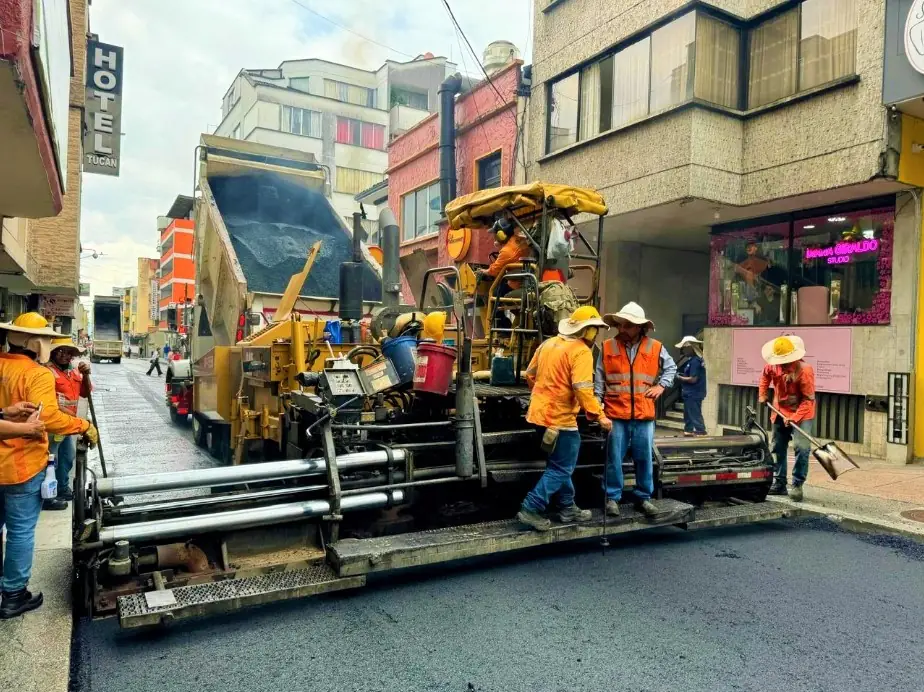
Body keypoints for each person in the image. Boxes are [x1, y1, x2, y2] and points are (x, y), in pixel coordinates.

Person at [0, 313, 98, 619]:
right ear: (35, 342)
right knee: (20, 531)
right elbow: (49, 418)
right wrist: (83, 426)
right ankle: (13, 594)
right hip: (21, 466)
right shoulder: (37, 374)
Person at [517, 306, 613, 532]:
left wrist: (544, 397)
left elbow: (530, 375)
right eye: (595, 329)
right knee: (561, 468)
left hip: (539, 416)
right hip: (561, 420)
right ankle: (531, 507)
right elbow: (582, 389)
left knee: (558, 465)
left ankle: (567, 508)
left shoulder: (548, 344)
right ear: (587, 330)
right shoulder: (581, 352)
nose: (596, 334)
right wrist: (600, 416)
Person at [595, 302, 676, 519]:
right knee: (613, 458)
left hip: (643, 413)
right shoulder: (607, 346)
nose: (622, 329)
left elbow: (671, 367)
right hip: (615, 413)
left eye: (628, 325)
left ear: (640, 327)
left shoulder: (655, 347)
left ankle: (643, 497)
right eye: (621, 324)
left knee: (644, 457)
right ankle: (612, 498)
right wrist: (597, 405)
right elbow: (599, 378)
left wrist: (661, 386)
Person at [758, 335, 815, 502]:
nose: (782, 365)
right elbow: (764, 377)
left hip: (802, 413)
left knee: (802, 448)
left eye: (785, 362)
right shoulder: (772, 366)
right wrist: (762, 394)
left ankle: (797, 484)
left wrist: (794, 417)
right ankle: (780, 482)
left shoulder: (804, 371)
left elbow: (808, 399)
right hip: (779, 410)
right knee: (777, 447)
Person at [43, 337, 92, 510]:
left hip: (67, 425)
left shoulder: (73, 372)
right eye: (60, 351)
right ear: (52, 352)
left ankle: (62, 489)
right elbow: (50, 403)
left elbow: (85, 393)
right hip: (53, 424)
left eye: (69, 352)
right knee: (51, 460)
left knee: (67, 457)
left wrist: (86, 375)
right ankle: (48, 497)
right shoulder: (47, 372)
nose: (65, 355)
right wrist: (79, 422)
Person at [674, 336, 707, 437]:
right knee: (688, 415)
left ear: (690, 348)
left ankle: (701, 432)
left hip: (694, 393)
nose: (683, 351)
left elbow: (693, 379)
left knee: (694, 414)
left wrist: (679, 377)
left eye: (684, 348)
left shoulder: (695, 361)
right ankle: (688, 431)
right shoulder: (691, 360)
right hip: (689, 393)